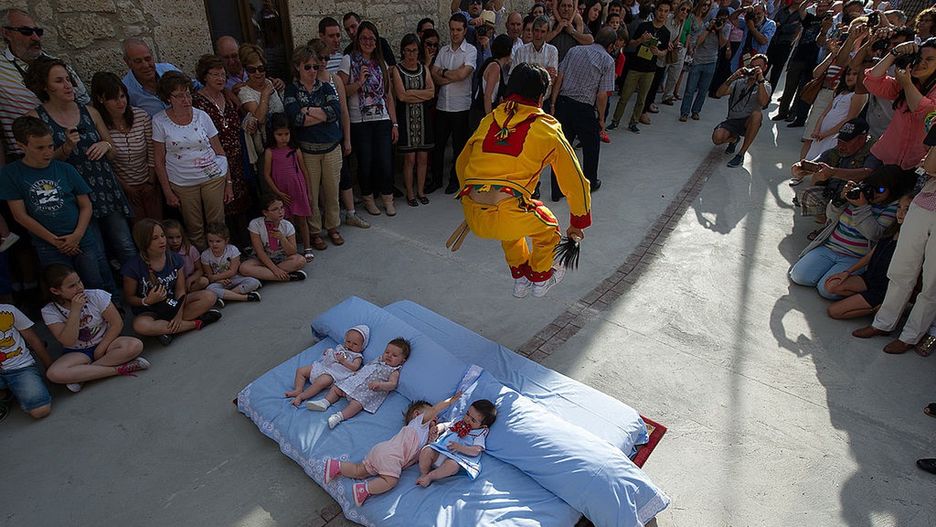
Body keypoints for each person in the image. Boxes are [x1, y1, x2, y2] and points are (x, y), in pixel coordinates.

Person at [461, 63, 593, 297]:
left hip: (473, 211)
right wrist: (578, 221)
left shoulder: (489, 120)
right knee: (549, 228)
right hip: (506, 211)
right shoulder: (547, 128)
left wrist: (470, 199)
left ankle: (520, 277)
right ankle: (541, 279)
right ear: (541, 97)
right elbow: (574, 179)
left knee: (513, 224)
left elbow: (463, 162)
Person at [25, 57, 136, 268]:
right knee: (94, 252)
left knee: (125, 244)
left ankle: (138, 284)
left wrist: (106, 145)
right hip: (73, 195)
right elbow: (37, 165)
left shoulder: (89, 111)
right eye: (59, 81)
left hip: (104, 188)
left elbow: (113, 152)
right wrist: (64, 149)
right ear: (45, 86)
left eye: (68, 79)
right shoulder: (37, 118)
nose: (68, 85)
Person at [0, 116, 114, 293]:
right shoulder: (11, 174)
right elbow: (20, 215)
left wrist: (76, 236)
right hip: (48, 244)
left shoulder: (65, 169)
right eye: (40, 148)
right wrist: (56, 241)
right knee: (61, 289)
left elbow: (86, 205)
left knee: (95, 283)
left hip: (82, 239)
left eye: (50, 146)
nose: (47, 152)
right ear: (21, 146)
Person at [852, 134, 936, 354]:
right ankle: (883, 323)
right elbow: (929, 164)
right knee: (901, 268)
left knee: (932, 282)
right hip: (924, 204)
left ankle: (910, 336)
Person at [324, 392, 463, 507]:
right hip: (391, 457)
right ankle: (364, 489)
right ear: (417, 414)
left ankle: (337, 466)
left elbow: (423, 454)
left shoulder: (422, 436)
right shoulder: (419, 424)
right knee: (390, 481)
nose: (435, 418)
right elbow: (434, 410)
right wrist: (450, 401)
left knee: (360, 470)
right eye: (432, 417)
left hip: (381, 450)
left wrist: (431, 438)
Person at [789, 166, 904, 299]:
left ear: (893, 190)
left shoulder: (892, 208)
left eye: (881, 190)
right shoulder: (858, 193)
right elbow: (831, 217)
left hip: (855, 258)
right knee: (799, 276)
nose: (874, 193)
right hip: (830, 248)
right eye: (872, 187)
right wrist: (840, 200)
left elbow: (873, 234)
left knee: (826, 290)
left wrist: (862, 207)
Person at [152, 71, 231, 250]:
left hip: (213, 177)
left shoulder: (202, 116)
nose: (186, 100)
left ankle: (221, 258)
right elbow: (159, 160)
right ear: (168, 98)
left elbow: (219, 151)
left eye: (188, 94)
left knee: (217, 224)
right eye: (179, 96)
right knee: (194, 227)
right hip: (182, 182)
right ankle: (201, 259)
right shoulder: (159, 121)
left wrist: (229, 183)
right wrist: (167, 192)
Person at [40, 263, 149, 393]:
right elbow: (68, 341)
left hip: (106, 343)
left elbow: (117, 324)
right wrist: (75, 311)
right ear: (55, 291)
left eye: (79, 281)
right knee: (54, 373)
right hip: (77, 352)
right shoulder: (49, 311)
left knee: (135, 345)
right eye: (72, 286)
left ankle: (84, 375)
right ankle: (119, 369)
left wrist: (101, 348)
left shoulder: (96, 295)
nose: (80, 287)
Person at [0, 8, 90, 160]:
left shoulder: (58, 65)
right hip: (29, 159)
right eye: (26, 31)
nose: (35, 37)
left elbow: (84, 103)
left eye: (38, 32)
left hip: (75, 150)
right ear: (6, 33)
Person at [121, 219, 222, 347]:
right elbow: (129, 298)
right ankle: (196, 323)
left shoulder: (175, 258)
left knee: (210, 296)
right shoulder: (132, 267)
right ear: (144, 242)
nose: (162, 240)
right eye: (155, 238)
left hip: (173, 304)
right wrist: (147, 301)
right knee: (140, 326)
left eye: (162, 235)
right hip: (150, 311)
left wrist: (178, 315)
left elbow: (180, 290)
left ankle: (164, 330)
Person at [285, 46, 344, 248]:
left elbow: (335, 112)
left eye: (315, 67)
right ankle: (315, 231)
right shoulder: (291, 90)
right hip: (308, 151)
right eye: (307, 67)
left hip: (331, 148)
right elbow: (296, 118)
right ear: (297, 67)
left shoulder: (326, 87)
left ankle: (333, 227)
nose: (312, 71)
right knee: (311, 193)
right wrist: (322, 115)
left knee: (332, 191)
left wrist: (308, 109)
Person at [339, 23, 400, 214]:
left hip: (382, 118)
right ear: (357, 40)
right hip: (360, 121)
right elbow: (342, 92)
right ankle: (368, 198)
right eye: (364, 38)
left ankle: (388, 198)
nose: (368, 42)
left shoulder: (381, 62)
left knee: (385, 161)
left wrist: (394, 123)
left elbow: (388, 96)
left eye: (372, 38)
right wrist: (359, 82)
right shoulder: (348, 60)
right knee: (366, 163)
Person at [552, 28, 616, 201]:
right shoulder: (607, 60)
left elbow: (559, 78)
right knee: (591, 146)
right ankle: (589, 182)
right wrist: (601, 118)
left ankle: (557, 190)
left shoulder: (574, 50)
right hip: (584, 108)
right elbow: (602, 95)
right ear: (611, 46)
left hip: (564, 103)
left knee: (562, 148)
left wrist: (553, 103)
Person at [192, 55, 252, 238]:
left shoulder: (227, 96)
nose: (220, 78)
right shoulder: (197, 102)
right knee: (222, 201)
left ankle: (244, 240)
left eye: (223, 75)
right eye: (215, 74)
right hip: (215, 160)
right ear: (204, 76)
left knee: (241, 198)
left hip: (237, 157)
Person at [824, 194, 911, 319]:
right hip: (869, 278)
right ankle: (862, 300)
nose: (900, 213)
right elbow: (871, 255)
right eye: (899, 207)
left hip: (883, 288)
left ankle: (877, 308)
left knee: (833, 311)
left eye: (907, 209)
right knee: (831, 285)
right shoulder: (892, 230)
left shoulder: (912, 240)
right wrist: (847, 272)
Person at [90, 72, 161, 224]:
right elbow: (107, 164)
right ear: (101, 99)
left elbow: (152, 151)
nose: (120, 102)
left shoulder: (141, 116)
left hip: (149, 182)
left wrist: (150, 182)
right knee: (139, 226)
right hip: (124, 187)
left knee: (157, 222)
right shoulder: (99, 125)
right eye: (113, 98)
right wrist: (126, 187)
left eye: (122, 96)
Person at [862, 38, 936, 170]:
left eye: (929, 59)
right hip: (883, 156)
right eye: (918, 58)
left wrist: (907, 84)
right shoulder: (905, 83)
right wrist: (894, 53)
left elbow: (926, 113)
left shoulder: (907, 83)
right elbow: (872, 80)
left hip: (916, 164)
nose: (921, 63)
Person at [305, 337, 411, 429]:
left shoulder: (393, 371)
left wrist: (380, 385)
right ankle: (324, 402)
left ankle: (339, 417)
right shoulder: (378, 360)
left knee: (357, 404)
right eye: (387, 352)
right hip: (355, 381)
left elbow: (393, 384)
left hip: (367, 390)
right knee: (337, 388)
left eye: (394, 355)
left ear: (402, 361)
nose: (389, 356)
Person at [430, 14, 477, 195]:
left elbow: (463, 75)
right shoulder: (443, 51)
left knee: (459, 148)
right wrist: (452, 75)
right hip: (443, 106)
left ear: (465, 31)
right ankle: (436, 180)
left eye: (458, 30)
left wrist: (443, 74)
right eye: (452, 29)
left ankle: (455, 181)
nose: (455, 33)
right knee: (438, 146)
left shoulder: (470, 51)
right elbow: (433, 74)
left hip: (461, 107)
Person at [609, 0, 672, 133]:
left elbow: (665, 51)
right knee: (624, 96)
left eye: (666, 11)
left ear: (668, 13)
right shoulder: (644, 26)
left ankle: (634, 122)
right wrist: (640, 40)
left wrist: (658, 52)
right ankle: (615, 121)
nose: (662, 14)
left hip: (650, 69)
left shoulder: (666, 32)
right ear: (656, 11)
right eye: (660, 10)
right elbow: (630, 43)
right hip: (635, 66)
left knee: (642, 99)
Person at [391, 34, 436, 207]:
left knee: (423, 158)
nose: (411, 54)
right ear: (403, 51)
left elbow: (431, 92)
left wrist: (412, 94)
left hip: (423, 120)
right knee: (409, 159)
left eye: (415, 50)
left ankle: (421, 191)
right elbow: (401, 96)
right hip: (406, 119)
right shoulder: (397, 70)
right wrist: (420, 94)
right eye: (408, 51)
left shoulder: (423, 68)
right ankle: (410, 193)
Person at [263, 113, 313, 260]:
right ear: (273, 134)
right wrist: (278, 193)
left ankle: (307, 247)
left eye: (286, 134)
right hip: (282, 192)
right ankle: (291, 249)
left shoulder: (295, 149)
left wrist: (308, 191)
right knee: (286, 221)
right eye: (279, 134)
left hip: (298, 189)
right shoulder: (270, 152)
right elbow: (267, 175)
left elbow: (304, 170)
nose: (283, 138)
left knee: (302, 220)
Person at [774, 0, 833, 123]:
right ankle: (782, 112)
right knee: (789, 86)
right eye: (819, 6)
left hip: (813, 61)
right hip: (799, 56)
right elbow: (801, 9)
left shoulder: (830, 23)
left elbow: (822, 42)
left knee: (802, 89)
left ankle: (793, 114)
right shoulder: (810, 18)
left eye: (824, 7)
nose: (820, 9)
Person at [415, 399, 497, 487]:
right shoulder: (459, 420)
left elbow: (476, 450)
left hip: (456, 459)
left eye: (473, 420)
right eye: (467, 414)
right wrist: (438, 428)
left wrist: (460, 448)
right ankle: (424, 473)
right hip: (440, 450)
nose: (467, 419)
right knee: (426, 450)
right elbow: (446, 425)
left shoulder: (479, 434)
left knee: (452, 466)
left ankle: (430, 477)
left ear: (482, 426)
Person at [711, 54, 771, 168]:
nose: (753, 69)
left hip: (748, 122)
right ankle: (734, 139)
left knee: (757, 115)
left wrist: (760, 80)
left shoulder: (765, 85)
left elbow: (763, 102)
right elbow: (719, 93)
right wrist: (732, 77)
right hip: (733, 120)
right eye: (752, 66)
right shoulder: (739, 82)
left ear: (764, 68)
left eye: (757, 67)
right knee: (717, 138)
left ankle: (741, 154)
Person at [285, 325, 368, 406]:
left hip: (333, 375)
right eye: (348, 341)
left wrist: (344, 361)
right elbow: (332, 355)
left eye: (355, 344)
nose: (350, 345)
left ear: (362, 347)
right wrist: (328, 352)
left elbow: (355, 367)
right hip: (323, 367)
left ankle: (301, 396)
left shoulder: (357, 356)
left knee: (320, 382)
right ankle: (298, 389)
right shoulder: (340, 348)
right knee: (301, 370)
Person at [0, 302, 53, 418]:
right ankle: (4, 394)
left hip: (19, 367)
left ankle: (11, 390)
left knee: (41, 410)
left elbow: (32, 339)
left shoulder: (8, 310)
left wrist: (50, 367)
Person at [237, 43, 285, 170]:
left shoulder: (271, 82)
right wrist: (265, 95)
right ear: (246, 70)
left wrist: (281, 86)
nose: (258, 73)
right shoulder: (244, 92)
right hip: (265, 148)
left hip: (284, 141)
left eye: (261, 68)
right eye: (252, 70)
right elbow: (260, 118)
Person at [239, 195, 308, 282]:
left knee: (300, 260)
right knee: (244, 268)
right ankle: (287, 277)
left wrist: (282, 238)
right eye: (275, 209)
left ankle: (264, 275)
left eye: (282, 207)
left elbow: (292, 252)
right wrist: (275, 270)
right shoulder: (255, 224)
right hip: (263, 259)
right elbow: (260, 252)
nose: (280, 211)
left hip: (281, 258)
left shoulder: (287, 225)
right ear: (265, 212)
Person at [804, 66, 867, 160]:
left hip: (834, 136)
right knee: (810, 158)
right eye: (848, 74)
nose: (850, 77)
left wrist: (826, 134)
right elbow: (824, 114)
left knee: (823, 160)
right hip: (821, 135)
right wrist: (817, 130)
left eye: (855, 74)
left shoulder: (858, 95)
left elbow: (849, 119)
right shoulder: (841, 93)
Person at [121, 38, 195, 117]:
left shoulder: (168, 69)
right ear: (128, 62)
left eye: (148, 59)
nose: (146, 65)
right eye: (138, 61)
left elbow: (195, 86)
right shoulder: (126, 90)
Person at [680, 6, 731, 121]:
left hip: (711, 61)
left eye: (724, 19)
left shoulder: (726, 28)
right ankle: (684, 112)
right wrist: (709, 28)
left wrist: (719, 31)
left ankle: (696, 111)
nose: (721, 21)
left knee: (703, 90)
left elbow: (722, 44)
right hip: (698, 60)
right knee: (690, 89)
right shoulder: (707, 24)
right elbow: (698, 42)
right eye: (720, 18)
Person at [200, 222, 262, 306]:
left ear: (226, 241)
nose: (214, 244)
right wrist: (219, 280)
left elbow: (232, 271)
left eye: (218, 241)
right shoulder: (205, 255)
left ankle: (225, 297)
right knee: (210, 289)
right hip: (219, 282)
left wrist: (216, 277)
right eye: (210, 241)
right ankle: (245, 297)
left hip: (234, 278)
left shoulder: (232, 250)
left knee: (254, 282)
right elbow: (210, 276)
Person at [513, 16, 560, 113]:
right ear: (532, 31)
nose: (539, 35)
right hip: (523, 102)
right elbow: (515, 77)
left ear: (547, 33)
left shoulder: (552, 51)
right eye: (537, 30)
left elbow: (551, 79)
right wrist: (544, 71)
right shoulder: (521, 51)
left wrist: (529, 73)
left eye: (542, 32)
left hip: (543, 102)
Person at [473, 34, 514, 125]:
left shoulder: (492, 62)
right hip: (481, 114)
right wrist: (489, 120)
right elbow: (487, 96)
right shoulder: (495, 67)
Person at [661, 0, 694, 106]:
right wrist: (668, 42)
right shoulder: (669, 18)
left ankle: (668, 95)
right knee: (661, 72)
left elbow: (688, 33)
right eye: (683, 9)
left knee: (675, 74)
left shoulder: (686, 21)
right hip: (665, 48)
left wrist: (685, 47)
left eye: (687, 11)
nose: (685, 12)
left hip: (679, 48)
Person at [765, 0, 803, 90]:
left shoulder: (801, 14)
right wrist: (786, 26)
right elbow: (774, 24)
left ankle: (769, 94)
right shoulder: (783, 10)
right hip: (773, 42)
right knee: (764, 67)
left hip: (785, 44)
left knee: (776, 72)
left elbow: (794, 28)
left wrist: (781, 25)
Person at [163, 219, 208, 293]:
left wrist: (190, 279)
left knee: (203, 281)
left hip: (188, 283)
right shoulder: (163, 252)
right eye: (170, 238)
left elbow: (200, 270)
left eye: (178, 237)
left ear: (182, 236)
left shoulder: (190, 249)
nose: (175, 241)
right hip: (173, 286)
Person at [728, 2, 776, 71]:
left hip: (756, 61)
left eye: (758, 14)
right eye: (754, 14)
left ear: (765, 13)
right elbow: (732, 18)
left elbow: (763, 41)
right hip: (741, 57)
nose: (755, 17)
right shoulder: (748, 21)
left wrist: (751, 28)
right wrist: (743, 9)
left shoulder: (770, 24)